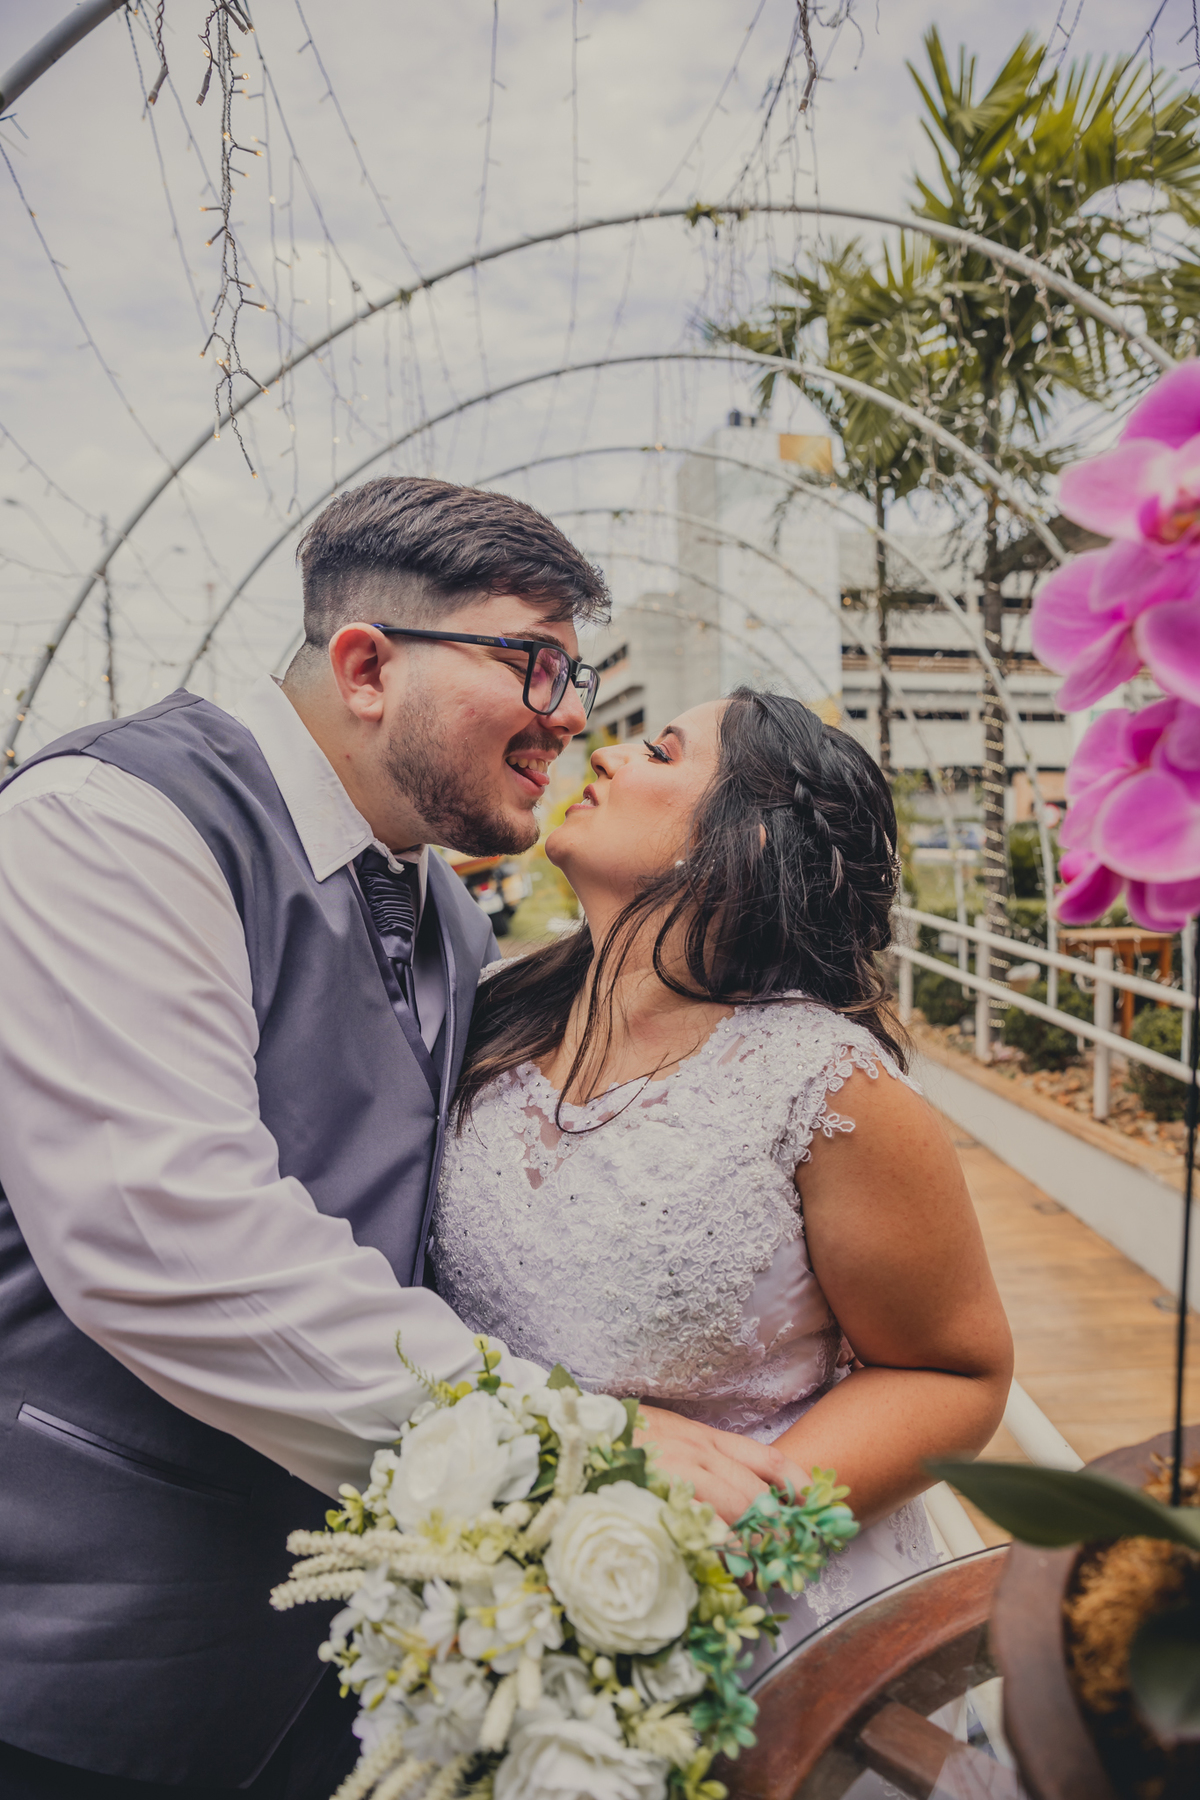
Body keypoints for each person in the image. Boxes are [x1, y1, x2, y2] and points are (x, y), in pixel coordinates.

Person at [0, 478, 788, 1800]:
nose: (575, 713)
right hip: (89, 1655)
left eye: (576, 668)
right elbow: (165, 1238)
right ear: (367, 665)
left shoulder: (448, 906)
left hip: (344, 1655)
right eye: (534, 662)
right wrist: (568, 1443)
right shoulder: (114, 823)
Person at [432, 688, 1015, 1664]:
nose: (606, 753)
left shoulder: (829, 1090)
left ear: (744, 841)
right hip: (497, 1611)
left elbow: (955, 1374)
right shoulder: (489, 1016)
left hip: (758, 1639)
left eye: (659, 751)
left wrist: (706, 1551)